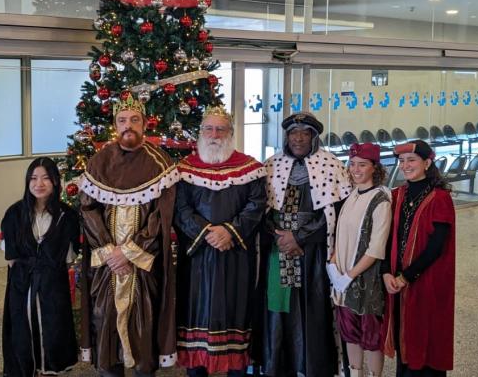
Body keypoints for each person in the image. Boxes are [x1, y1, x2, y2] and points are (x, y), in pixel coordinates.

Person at [78, 95, 180, 377]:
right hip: (107, 264)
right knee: (105, 322)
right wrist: (111, 251)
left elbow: (161, 215)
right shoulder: (98, 162)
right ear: (115, 124)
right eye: (122, 121)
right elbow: (88, 209)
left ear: (144, 124)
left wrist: (130, 252)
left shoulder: (161, 163)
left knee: (143, 327)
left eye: (134, 120)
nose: (128, 126)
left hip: (143, 265)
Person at [174, 105, 267, 377]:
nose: (214, 134)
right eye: (209, 129)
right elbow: (180, 210)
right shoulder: (184, 170)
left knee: (235, 315)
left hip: (235, 255)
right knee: (195, 318)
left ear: (230, 133)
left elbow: (256, 205)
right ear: (201, 132)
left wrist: (229, 232)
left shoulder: (250, 168)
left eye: (220, 129)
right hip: (198, 258)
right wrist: (207, 233)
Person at [259, 112, 353, 377]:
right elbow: (263, 208)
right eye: (293, 133)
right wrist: (281, 237)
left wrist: (298, 238)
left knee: (311, 308)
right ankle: (279, 364)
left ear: (314, 137)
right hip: (279, 249)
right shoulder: (272, 165)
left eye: (304, 133)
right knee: (280, 309)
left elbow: (334, 212)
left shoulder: (331, 165)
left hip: (312, 251)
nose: (298, 138)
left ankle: (311, 366)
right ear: (286, 137)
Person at [381, 140, 455, 377]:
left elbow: (437, 245)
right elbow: (388, 237)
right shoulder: (397, 195)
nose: (405, 165)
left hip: (426, 281)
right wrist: (387, 273)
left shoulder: (439, 197)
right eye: (401, 161)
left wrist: (407, 276)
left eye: (411, 160)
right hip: (398, 281)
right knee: (405, 337)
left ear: (427, 162)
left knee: (426, 338)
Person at [1, 157, 80, 376]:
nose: (39, 184)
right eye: (34, 178)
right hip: (22, 283)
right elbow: (11, 258)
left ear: (55, 181)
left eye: (46, 178)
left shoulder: (68, 216)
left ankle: (51, 368)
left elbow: (69, 257)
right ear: (27, 182)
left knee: (54, 331)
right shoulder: (14, 214)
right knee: (21, 330)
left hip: (53, 284)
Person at [330, 143, 392, 377]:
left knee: (371, 337)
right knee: (350, 333)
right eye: (352, 164)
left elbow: (376, 248)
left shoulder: (380, 200)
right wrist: (335, 264)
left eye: (362, 165)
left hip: (365, 279)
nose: (355, 169)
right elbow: (341, 234)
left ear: (374, 167)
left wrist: (350, 275)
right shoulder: (351, 194)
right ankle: (355, 374)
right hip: (343, 279)